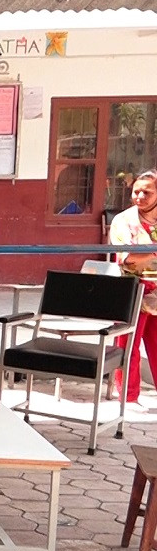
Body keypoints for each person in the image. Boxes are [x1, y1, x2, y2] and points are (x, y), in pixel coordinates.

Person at [109, 170, 157, 404]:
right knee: (128, 348)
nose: (139, 196)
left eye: (146, 192)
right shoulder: (123, 221)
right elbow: (126, 257)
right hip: (133, 291)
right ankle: (128, 397)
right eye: (136, 191)